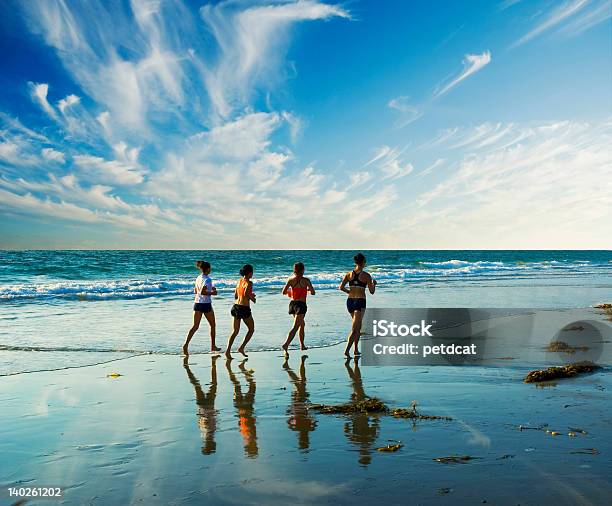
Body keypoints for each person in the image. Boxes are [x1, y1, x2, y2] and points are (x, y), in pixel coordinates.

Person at [339, 253, 376, 357]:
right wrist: (374, 284)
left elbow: (341, 287)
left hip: (350, 301)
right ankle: (347, 350)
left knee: (358, 327)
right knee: (355, 329)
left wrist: (350, 292)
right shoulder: (366, 276)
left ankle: (356, 349)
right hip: (359, 302)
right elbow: (372, 291)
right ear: (363, 262)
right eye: (365, 262)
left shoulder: (348, 274)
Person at [183, 355, 219, 455]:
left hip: (208, 405)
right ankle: (187, 368)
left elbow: (207, 420)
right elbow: (201, 421)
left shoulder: (209, 433)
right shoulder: (204, 434)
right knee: (197, 385)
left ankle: (213, 363)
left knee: (213, 384)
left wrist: (214, 413)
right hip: (202, 406)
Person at [183, 260, 220, 355]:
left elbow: (196, 291)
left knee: (195, 326)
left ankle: (186, 345)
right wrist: (213, 293)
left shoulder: (198, 278)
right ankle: (213, 346)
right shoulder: (208, 279)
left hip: (197, 303)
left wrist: (210, 289)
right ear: (207, 269)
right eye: (210, 268)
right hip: (206, 304)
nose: (211, 269)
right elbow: (203, 292)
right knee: (213, 325)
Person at [281, 262, 315, 356]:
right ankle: (286, 344)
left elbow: (283, 292)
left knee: (302, 324)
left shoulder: (290, 280)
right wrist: (306, 290)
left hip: (292, 304)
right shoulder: (306, 280)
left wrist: (292, 291)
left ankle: (302, 345)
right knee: (296, 327)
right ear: (303, 270)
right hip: (301, 305)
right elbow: (313, 293)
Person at [226, 264, 256, 359]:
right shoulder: (249, 283)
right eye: (252, 272)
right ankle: (241, 347)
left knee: (235, 331)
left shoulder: (239, 281)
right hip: (244, 308)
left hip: (236, 307)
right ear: (249, 272)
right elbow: (247, 293)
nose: (252, 274)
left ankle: (227, 351)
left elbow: (236, 295)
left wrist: (248, 295)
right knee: (251, 329)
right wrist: (252, 298)